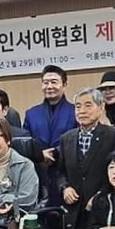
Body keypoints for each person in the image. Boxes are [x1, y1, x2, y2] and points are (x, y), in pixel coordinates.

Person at [57, 88, 115, 229]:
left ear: (101, 108)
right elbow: (60, 172)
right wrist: (65, 188)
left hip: (105, 208)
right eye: (78, 106)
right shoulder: (66, 138)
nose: (82, 111)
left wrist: (100, 196)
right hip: (74, 210)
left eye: (88, 105)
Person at [25, 65, 78, 204]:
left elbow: (78, 138)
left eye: (54, 82)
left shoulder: (75, 111)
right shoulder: (31, 113)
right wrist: (40, 154)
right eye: (45, 82)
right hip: (38, 173)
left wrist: (55, 152)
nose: (49, 86)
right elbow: (26, 142)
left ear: (64, 84)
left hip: (67, 175)